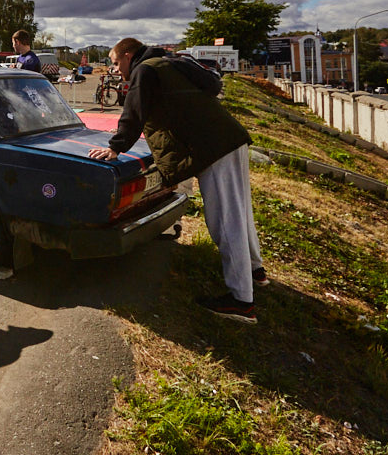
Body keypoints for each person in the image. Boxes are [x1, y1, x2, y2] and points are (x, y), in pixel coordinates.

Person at [87, 37, 265, 323]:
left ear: (129, 55)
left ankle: (241, 300)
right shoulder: (169, 62)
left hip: (213, 148)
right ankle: (255, 271)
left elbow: (133, 113)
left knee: (224, 220)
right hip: (229, 139)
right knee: (241, 212)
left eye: (117, 62)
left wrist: (115, 147)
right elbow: (213, 86)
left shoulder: (145, 71)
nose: (116, 69)